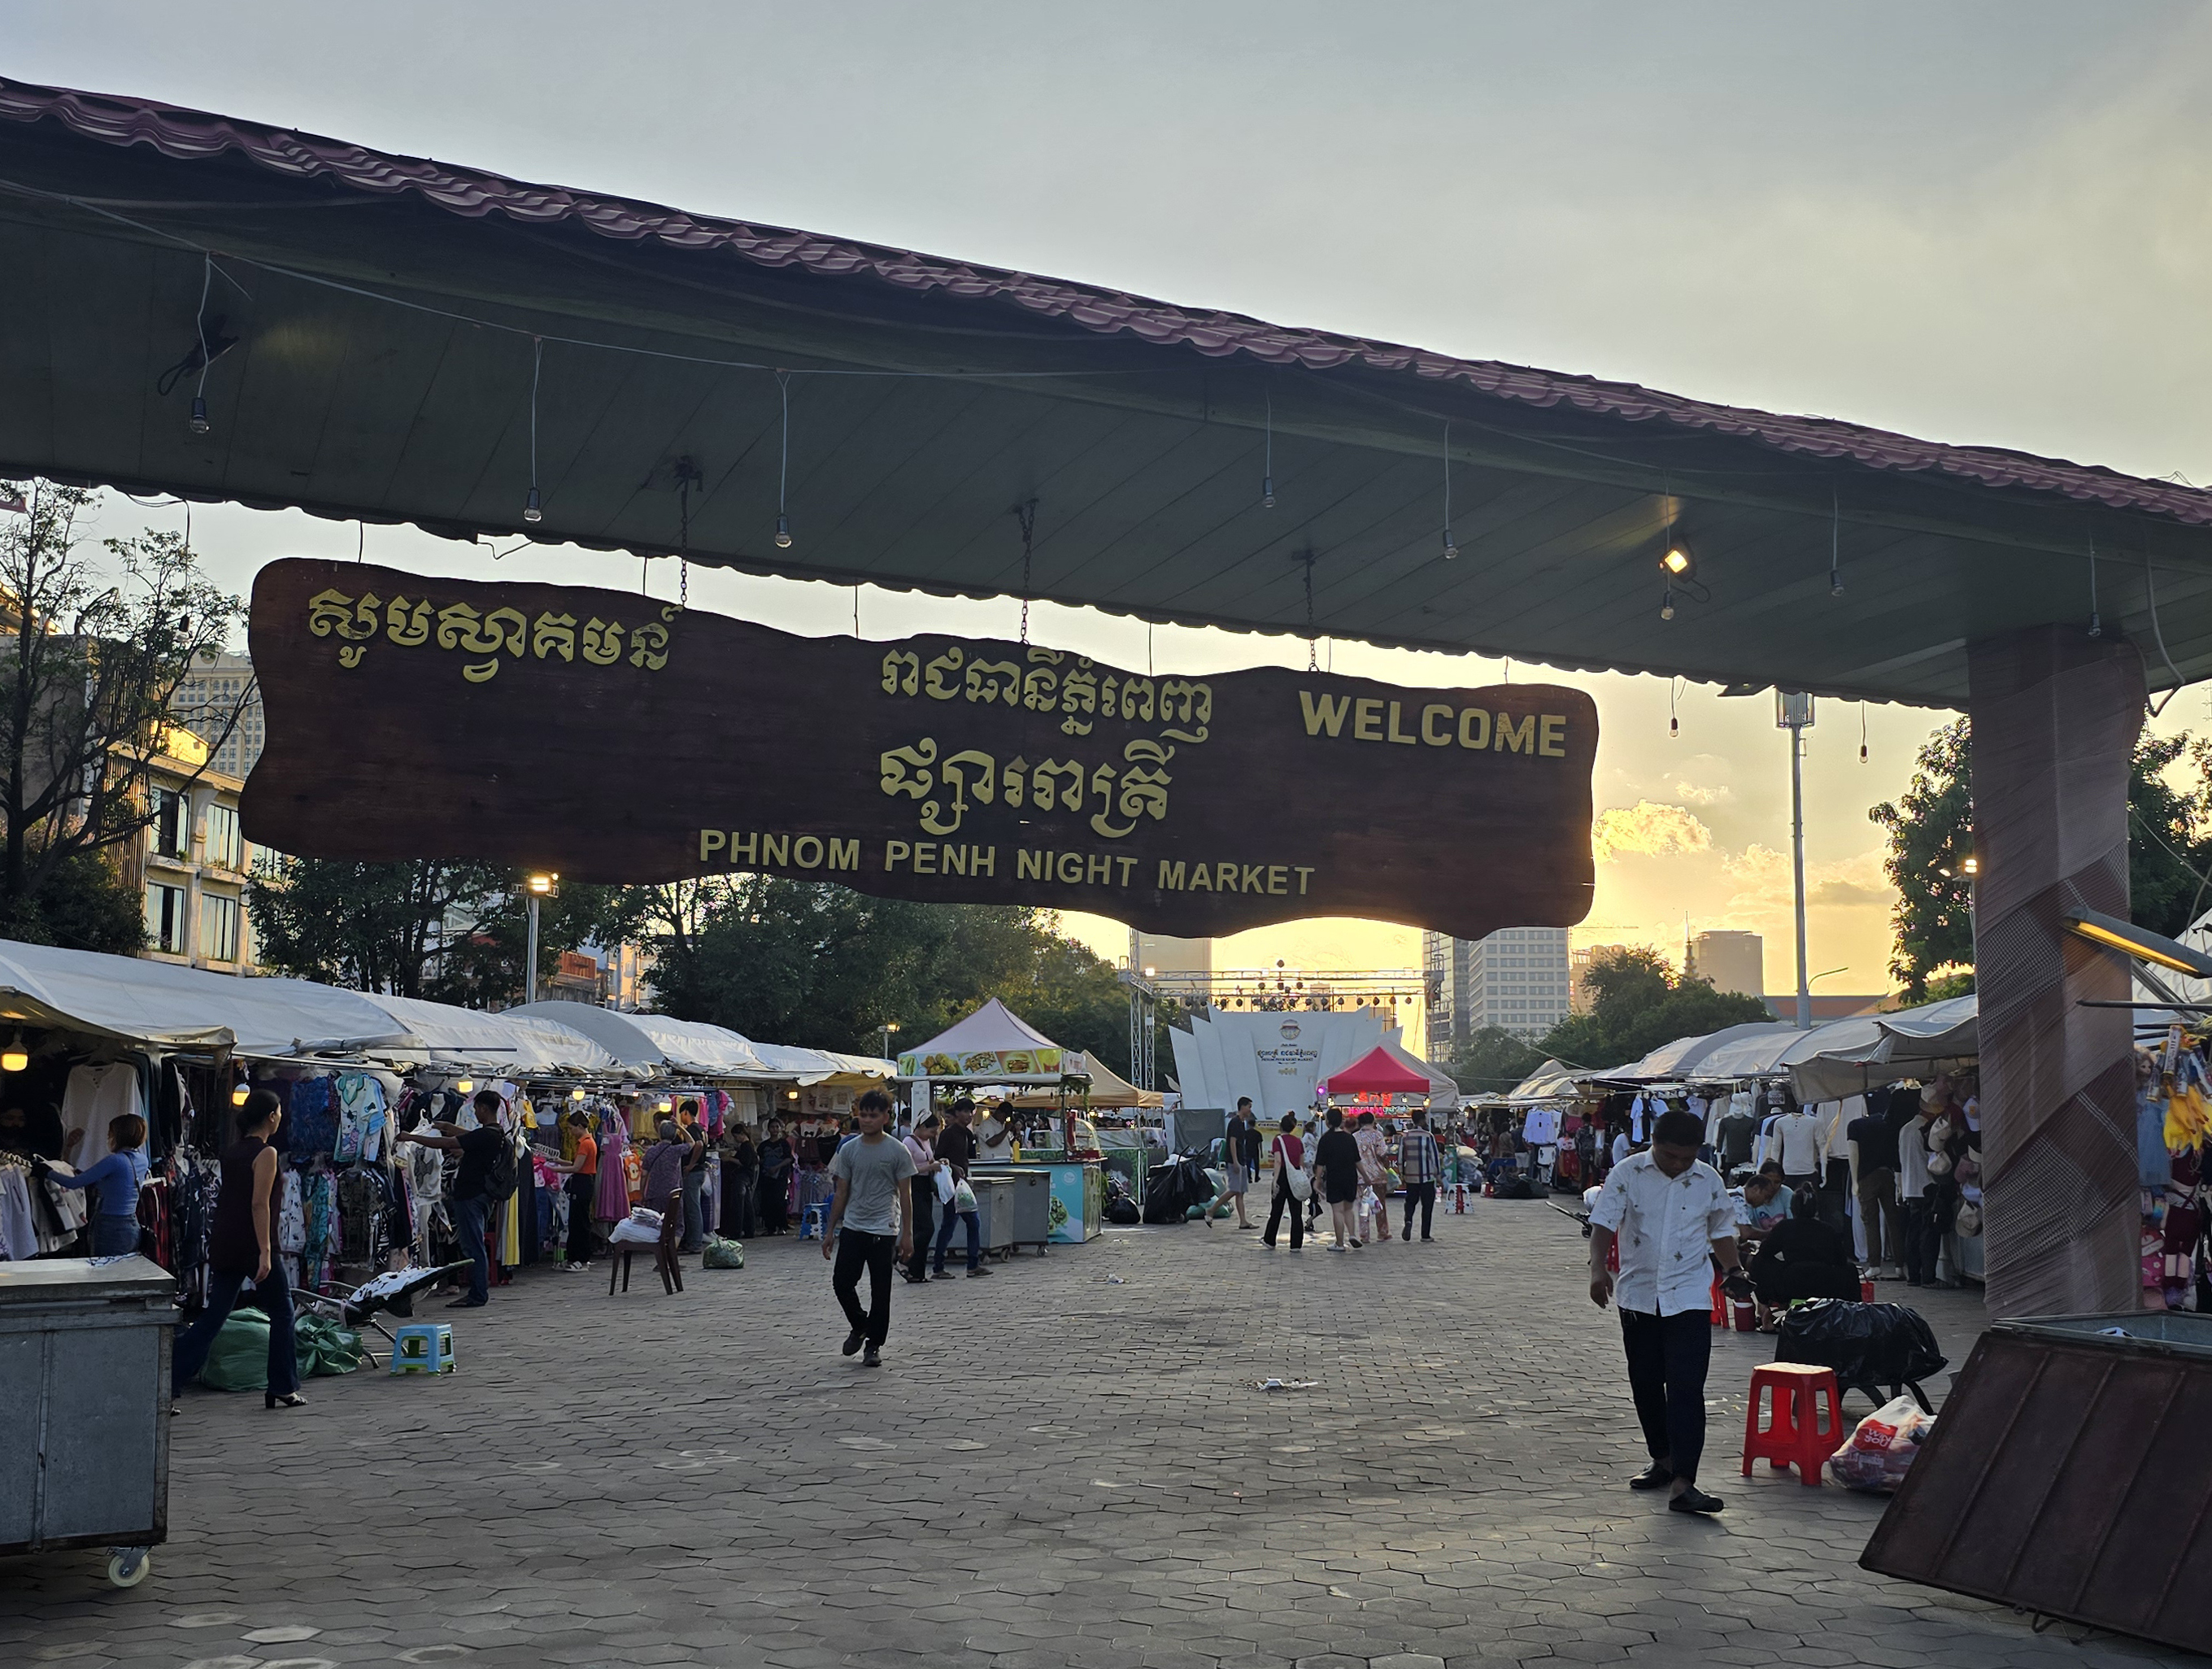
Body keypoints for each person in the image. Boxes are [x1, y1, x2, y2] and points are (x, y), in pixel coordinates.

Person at [1587, 1107, 1751, 1515]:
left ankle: (1684, 1483)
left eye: (1686, 1158)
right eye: (1670, 1156)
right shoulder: (1628, 1173)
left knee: (1686, 1388)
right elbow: (1604, 1223)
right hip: (1638, 1297)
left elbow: (1721, 1231)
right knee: (1645, 1383)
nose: (1678, 1164)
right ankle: (1662, 1459)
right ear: (1654, 1144)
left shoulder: (1708, 1179)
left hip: (1689, 1296)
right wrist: (1597, 1270)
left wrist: (1734, 1271)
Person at [170, 1089, 305, 1410]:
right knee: (283, 1312)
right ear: (271, 1116)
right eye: (279, 1111)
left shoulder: (233, 1151)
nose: (281, 1117)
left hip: (226, 1240)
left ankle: (167, 1382)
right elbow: (259, 1204)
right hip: (252, 1243)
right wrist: (266, 1252)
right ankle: (282, 1385)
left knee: (213, 1317)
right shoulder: (266, 1153)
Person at [823, 1089, 917, 1367]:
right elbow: (841, 1192)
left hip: (884, 1227)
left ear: (886, 1117)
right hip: (853, 1225)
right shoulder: (849, 1150)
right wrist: (830, 1230)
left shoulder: (897, 1151)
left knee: (881, 1290)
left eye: (873, 1115)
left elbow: (906, 1195)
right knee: (842, 1282)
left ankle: (874, 1344)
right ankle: (860, 1324)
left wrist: (907, 1234)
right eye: (863, 1115)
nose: (867, 1120)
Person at [396, 1088, 512, 1308]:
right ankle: (478, 1292)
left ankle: (478, 1294)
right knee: (474, 1244)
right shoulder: (495, 1133)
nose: (475, 1112)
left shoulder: (486, 1135)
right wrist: (444, 1126)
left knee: (473, 1247)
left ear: (483, 1108)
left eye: (476, 1108)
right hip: (480, 1196)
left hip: (471, 1196)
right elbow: (465, 1135)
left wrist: (411, 1137)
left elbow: (449, 1143)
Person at [37, 1112, 147, 1255]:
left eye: (110, 1134)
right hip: (131, 1224)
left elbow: (73, 1183)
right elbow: (117, 1185)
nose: (108, 1138)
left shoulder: (115, 1161)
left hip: (111, 1227)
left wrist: (47, 1172)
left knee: (104, 1266)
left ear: (118, 1136)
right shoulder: (142, 1160)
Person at [1748, 1188, 1863, 1322]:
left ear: (1792, 1209)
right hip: (1825, 1284)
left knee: (1758, 1261)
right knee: (1850, 1269)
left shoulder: (1785, 1227)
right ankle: (1854, 1313)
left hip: (1793, 1282)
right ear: (1815, 1210)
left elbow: (1765, 1252)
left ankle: (1765, 1307)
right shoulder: (1827, 1229)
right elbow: (1841, 1260)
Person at [1846, 1093, 1905, 1279]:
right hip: (1888, 1175)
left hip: (1866, 1177)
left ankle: (1874, 1265)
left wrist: (1855, 1181)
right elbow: (1897, 1154)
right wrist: (1899, 1180)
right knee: (1894, 1222)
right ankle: (1899, 1266)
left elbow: (1853, 1154)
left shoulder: (1855, 1125)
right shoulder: (1891, 1125)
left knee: (1870, 1222)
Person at [932, 1099, 990, 1278]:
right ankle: (940, 1266)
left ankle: (970, 1264)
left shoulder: (968, 1134)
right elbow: (938, 1158)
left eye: (971, 1112)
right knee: (952, 1225)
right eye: (965, 1111)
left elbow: (969, 1157)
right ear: (957, 1113)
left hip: (962, 1186)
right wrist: (953, 1167)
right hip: (951, 1187)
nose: (969, 1116)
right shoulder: (948, 1134)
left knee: (968, 1223)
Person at [547, 1109, 599, 1270]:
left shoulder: (585, 1143)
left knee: (578, 1222)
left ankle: (579, 1259)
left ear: (579, 1126)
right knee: (579, 1220)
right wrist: (560, 1161)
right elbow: (576, 1164)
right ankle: (578, 1257)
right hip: (584, 1182)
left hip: (582, 1182)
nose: (570, 1132)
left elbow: (576, 1168)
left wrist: (555, 1169)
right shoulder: (588, 1142)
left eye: (571, 1128)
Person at [1314, 1108, 1363, 1252]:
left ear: (1328, 1122)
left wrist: (1317, 1180)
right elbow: (1357, 1161)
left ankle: (1340, 1243)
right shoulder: (1349, 1138)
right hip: (1351, 1177)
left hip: (1334, 1177)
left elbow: (1320, 1164)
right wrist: (1366, 1177)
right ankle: (1353, 1235)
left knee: (1337, 1210)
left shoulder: (1325, 1139)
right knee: (1348, 1209)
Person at [1204, 1099, 1258, 1230]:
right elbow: (1232, 1142)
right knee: (1234, 1190)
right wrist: (1235, 1161)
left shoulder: (1241, 1123)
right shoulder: (1235, 1122)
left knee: (1240, 1192)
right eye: (1249, 1107)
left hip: (1241, 1160)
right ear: (1242, 1107)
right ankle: (1212, 1209)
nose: (1250, 1110)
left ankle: (1243, 1221)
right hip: (1236, 1161)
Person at [900, 1113, 940, 1284]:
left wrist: (938, 1163)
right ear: (922, 1127)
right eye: (931, 1131)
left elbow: (929, 1160)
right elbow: (908, 1169)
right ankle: (903, 1258)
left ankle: (917, 1272)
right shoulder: (908, 1143)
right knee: (926, 1228)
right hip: (913, 1186)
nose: (933, 1135)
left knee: (921, 1229)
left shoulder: (926, 1142)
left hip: (925, 1187)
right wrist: (930, 1167)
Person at [1260, 1113, 1306, 1251]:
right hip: (1295, 1175)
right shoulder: (1298, 1141)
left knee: (1276, 1210)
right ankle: (1296, 1244)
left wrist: (1275, 1180)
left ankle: (1270, 1240)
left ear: (1280, 1126)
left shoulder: (1278, 1140)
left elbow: (1278, 1161)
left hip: (1283, 1176)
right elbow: (1301, 1162)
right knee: (1296, 1212)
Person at [1397, 1109, 1441, 1242]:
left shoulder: (1405, 1136)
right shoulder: (1428, 1136)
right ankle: (1425, 1235)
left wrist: (1402, 1173)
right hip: (1427, 1176)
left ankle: (1408, 1220)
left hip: (1411, 1175)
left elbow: (1400, 1157)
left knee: (1410, 1202)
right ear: (1422, 1120)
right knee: (1427, 1206)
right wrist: (1438, 1174)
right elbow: (1434, 1156)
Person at [1352, 1111, 1393, 1240]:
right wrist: (1387, 1165)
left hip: (1360, 1175)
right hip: (1377, 1175)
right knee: (1380, 1204)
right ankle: (1382, 1232)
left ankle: (1364, 1235)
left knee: (1363, 1205)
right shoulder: (1377, 1135)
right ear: (1373, 1121)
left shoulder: (1354, 1137)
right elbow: (1382, 1153)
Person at [676, 1100, 710, 1252]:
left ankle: (695, 1243)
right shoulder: (701, 1128)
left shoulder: (692, 1129)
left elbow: (699, 1145)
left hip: (694, 1172)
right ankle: (691, 1240)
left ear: (685, 1112)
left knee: (693, 1208)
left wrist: (691, 1164)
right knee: (692, 1207)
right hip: (699, 1171)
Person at [756, 1120, 795, 1234]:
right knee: (767, 1201)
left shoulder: (784, 1144)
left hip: (780, 1176)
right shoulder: (764, 1145)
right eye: (772, 1127)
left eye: (777, 1127)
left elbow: (789, 1158)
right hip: (766, 1177)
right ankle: (770, 1227)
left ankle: (782, 1226)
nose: (775, 1129)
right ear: (768, 1129)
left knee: (780, 1201)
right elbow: (759, 1159)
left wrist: (777, 1167)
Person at [0, 1101, 67, 1161]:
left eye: (21, 1119)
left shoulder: (31, 1142)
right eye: (10, 1118)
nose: (16, 1123)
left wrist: (27, 1153)